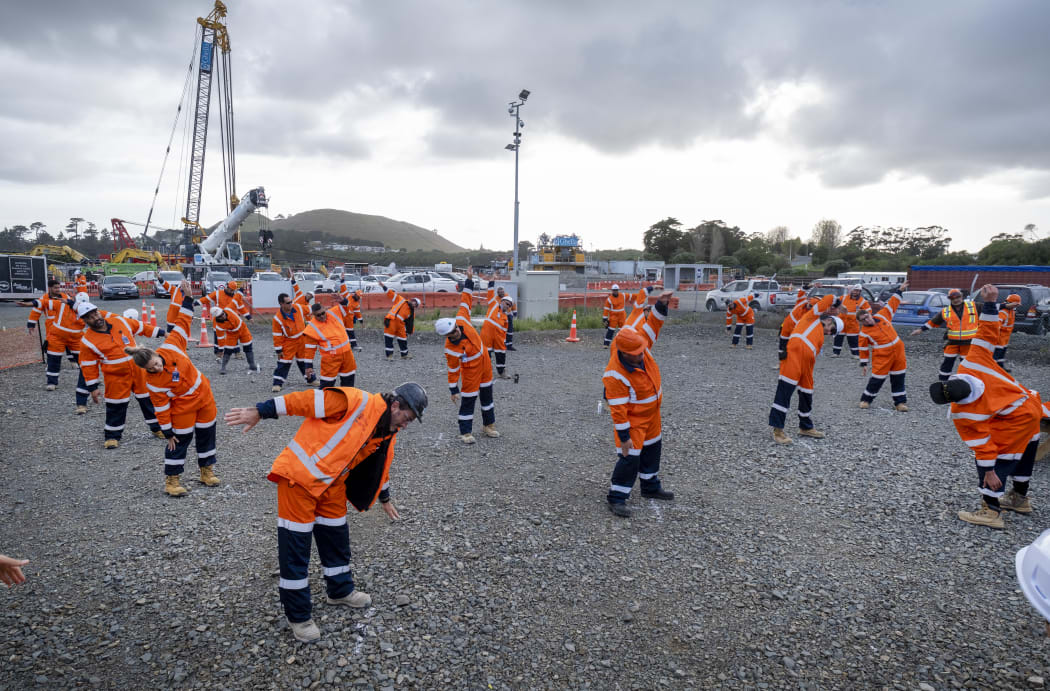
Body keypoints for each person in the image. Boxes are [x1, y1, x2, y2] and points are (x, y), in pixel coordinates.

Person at [224, 382, 428, 643]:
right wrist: (260, 411)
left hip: (331, 485)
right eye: (407, 418)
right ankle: (298, 616)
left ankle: (340, 590)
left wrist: (384, 498)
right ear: (396, 405)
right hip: (299, 479)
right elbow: (305, 401)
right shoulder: (356, 402)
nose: (405, 425)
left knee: (336, 538)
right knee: (295, 548)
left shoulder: (387, 429)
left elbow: (380, 466)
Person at [928, 284, 1049, 529]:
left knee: (1000, 458)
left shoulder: (964, 413)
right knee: (1026, 451)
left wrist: (990, 472)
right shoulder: (971, 364)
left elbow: (983, 446)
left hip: (1017, 418)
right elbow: (987, 333)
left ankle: (991, 511)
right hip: (1032, 406)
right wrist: (992, 302)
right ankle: (1019, 499)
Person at [126, 286, 220, 497]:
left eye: (156, 364)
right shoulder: (153, 382)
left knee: (207, 435)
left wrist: (188, 298)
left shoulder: (172, 345)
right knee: (179, 440)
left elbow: (182, 322)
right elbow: (160, 407)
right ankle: (172, 479)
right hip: (183, 408)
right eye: (151, 369)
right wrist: (167, 432)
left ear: (156, 354)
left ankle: (207, 471)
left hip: (205, 399)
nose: (156, 369)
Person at [603, 291, 675, 517]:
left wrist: (661, 306)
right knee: (629, 458)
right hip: (634, 421)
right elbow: (618, 411)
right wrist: (624, 438)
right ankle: (617, 497)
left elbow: (652, 327)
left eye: (641, 351)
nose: (641, 355)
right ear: (624, 353)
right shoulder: (615, 375)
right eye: (635, 354)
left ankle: (650, 487)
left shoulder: (640, 347)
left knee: (653, 450)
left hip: (652, 415)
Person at [77, 301, 165, 449]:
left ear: (99, 312)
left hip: (139, 370)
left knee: (149, 400)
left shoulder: (119, 321)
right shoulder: (87, 341)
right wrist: (92, 387)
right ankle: (112, 436)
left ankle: (158, 428)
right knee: (116, 405)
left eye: (95, 313)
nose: (95, 318)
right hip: (115, 377)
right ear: (84, 321)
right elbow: (88, 365)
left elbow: (140, 326)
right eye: (90, 317)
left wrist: (162, 332)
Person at [768, 294, 841, 445]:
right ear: (828, 320)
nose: (829, 333)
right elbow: (827, 298)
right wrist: (837, 303)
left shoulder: (820, 336)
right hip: (793, 357)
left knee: (807, 393)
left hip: (806, 365)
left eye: (833, 333)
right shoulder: (813, 317)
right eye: (832, 329)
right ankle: (777, 431)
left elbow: (812, 355)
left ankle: (805, 427)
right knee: (785, 392)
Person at [435, 274, 499, 444]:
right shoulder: (451, 349)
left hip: (485, 364)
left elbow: (466, 299)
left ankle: (488, 425)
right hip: (471, 372)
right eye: (452, 334)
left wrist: (469, 280)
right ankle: (465, 432)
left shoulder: (461, 318)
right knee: (469, 400)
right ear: (446, 336)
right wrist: (453, 390)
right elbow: (453, 369)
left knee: (487, 397)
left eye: (455, 329)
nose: (456, 333)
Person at [18, 280, 89, 408]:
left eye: (59, 288)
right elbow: (39, 307)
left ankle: (88, 377)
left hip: (74, 334)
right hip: (54, 328)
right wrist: (31, 323)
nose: (58, 290)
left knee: (83, 356)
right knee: (53, 354)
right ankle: (52, 381)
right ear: (50, 288)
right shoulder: (54, 301)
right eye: (55, 288)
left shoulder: (67, 299)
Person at [857, 281, 909, 411]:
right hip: (882, 357)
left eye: (867, 317)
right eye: (863, 320)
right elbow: (863, 349)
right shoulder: (864, 333)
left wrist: (900, 290)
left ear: (870, 314)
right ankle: (866, 400)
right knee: (877, 379)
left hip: (898, 353)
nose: (867, 320)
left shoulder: (882, 315)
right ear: (861, 322)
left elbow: (893, 304)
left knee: (898, 377)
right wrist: (864, 364)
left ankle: (900, 403)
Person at [910, 288, 977, 381]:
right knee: (947, 362)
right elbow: (933, 322)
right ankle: (943, 381)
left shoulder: (974, 306)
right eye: (953, 298)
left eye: (958, 297)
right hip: (952, 343)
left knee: (966, 364)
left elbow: (990, 307)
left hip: (968, 343)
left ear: (962, 297)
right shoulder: (946, 311)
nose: (956, 300)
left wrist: (1004, 305)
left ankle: (965, 381)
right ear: (950, 299)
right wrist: (920, 330)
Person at [302, 302, 357, 389]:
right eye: (318, 315)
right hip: (330, 359)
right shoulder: (311, 328)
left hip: (347, 355)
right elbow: (309, 349)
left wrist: (343, 300)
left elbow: (347, 308)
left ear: (325, 309)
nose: (322, 316)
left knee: (349, 382)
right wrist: (308, 367)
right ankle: (323, 402)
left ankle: (346, 400)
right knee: (326, 386)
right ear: (313, 315)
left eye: (323, 313)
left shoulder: (335, 312)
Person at [271, 292, 316, 393]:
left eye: (291, 301)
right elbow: (277, 335)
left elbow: (311, 309)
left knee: (305, 360)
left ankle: (311, 379)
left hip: (302, 339)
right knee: (284, 362)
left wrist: (321, 310)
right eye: (288, 303)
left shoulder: (298, 308)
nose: (291, 304)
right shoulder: (277, 319)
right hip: (289, 341)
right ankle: (277, 383)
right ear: (281, 304)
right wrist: (279, 350)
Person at [201, 281, 251, 359]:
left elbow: (241, 308)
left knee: (234, 336)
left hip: (230, 319)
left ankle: (237, 352)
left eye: (233, 290)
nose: (231, 292)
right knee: (218, 336)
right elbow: (207, 299)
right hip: (220, 319)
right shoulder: (219, 294)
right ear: (227, 287)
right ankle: (218, 352)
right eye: (231, 290)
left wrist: (248, 317)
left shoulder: (234, 297)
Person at [211, 306, 260, 375]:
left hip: (243, 330)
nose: (223, 316)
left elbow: (241, 306)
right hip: (232, 334)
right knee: (228, 350)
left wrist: (249, 317)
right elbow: (220, 339)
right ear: (216, 318)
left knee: (248, 347)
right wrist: (221, 350)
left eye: (222, 314)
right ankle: (223, 367)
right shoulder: (219, 326)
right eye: (220, 316)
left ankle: (252, 365)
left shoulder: (229, 309)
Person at [481, 281, 512, 379]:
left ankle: (501, 372)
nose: (507, 306)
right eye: (507, 303)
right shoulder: (494, 305)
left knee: (501, 354)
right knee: (486, 354)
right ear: (502, 301)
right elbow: (490, 294)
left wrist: (504, 341)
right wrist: (491, 282)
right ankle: (484, 373)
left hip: (498, 338)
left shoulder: (505, 317)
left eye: (509, 305)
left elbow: (504, 331)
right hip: (487, 335)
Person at [380, 284, 418, 360]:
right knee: (389, 338)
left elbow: (410, 323)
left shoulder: (412, 313)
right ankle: (389, 356)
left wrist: (409, 332)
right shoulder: (401, 300)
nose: (413, 303)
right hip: (391, 321)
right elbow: (391, 294)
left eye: (415, 303)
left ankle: (404, 355)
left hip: (400, 324)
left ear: (416, 306)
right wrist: (383, 286)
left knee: (403, 339)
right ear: (411, 300)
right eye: (413, 301)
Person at [832, 286, 870, 358]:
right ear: (852, 291)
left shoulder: (862, 301)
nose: (856, 292)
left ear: (860, 292)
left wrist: (863, 317)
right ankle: (836, 353)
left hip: (853, 324)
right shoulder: (843, 298)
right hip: (841, 322)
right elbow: (835, 302)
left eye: (858, 291)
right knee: (838, 338)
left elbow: (868, 310)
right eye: (855, 290)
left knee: (853, 339)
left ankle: (855, 354)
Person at [778, 290, 816, 359]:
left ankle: (790, 362)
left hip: (795, 332)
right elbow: (802, 291)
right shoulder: (801, 302)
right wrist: (809, 286)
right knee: (782, 346)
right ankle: (781, 363)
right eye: (810, 305)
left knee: (792, 348)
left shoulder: (810, 315)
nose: (809, 307)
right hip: (785, 327)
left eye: (811, 306)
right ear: (809, 301)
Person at [995, 293, 1021, 371]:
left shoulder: (1011, 310)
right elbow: (997, 326)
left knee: (1001, 354)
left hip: (1005, 338)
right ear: (1010, 303)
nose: (1016, 307)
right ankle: (993, 369)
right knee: (996, 355)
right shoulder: (1003, 311)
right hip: (999, 338)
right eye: (1015, 305)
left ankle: (1000, 368)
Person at [337, 279, 364, 351]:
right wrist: (342, 280)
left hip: (349, 319)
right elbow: (343, 289)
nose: (358, 298)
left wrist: (361, 320)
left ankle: (354, 345)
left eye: (359, 297)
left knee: (350, 332)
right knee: (341, 331)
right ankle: (341, 345)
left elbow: (357, 313)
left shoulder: (357, 304)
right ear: (355, 294)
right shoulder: (348, 296)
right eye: (357, 296)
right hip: (342, 317)